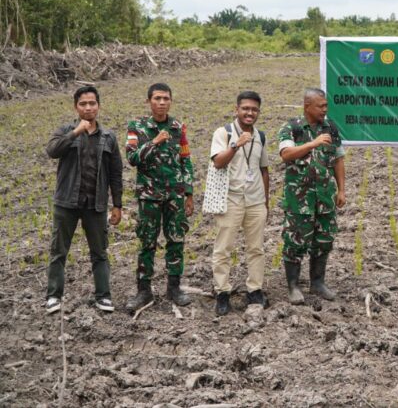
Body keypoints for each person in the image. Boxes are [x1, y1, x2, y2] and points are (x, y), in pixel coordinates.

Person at [44, 86, 123, 314]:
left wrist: (117, 204)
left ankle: (103, 296)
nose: (88, 108)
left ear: (98, 106)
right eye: (83, 104)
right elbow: (52, 151)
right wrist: (76, 132)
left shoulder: (108, 137)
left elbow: (116, 173)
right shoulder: (66, 131)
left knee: (99, 252)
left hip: (95, 204)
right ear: (76, 107)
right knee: (59, 251)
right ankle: (53, 296)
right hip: (66, 202)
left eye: (92, 103)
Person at [125, 82, 194, 312]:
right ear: (149, 101)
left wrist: (189, 193)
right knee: (147, 242)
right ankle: (143, 290)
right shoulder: (137, 127)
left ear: (171, 101)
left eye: (166, 98)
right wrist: (154, 142)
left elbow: (186, 160)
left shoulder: (177, 127)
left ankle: (174, 288)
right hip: (149, 196)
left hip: (174, 195)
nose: (162, 103)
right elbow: (133, 158)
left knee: (176, 240)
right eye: (157, 98)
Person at [278, 88, 345, 305]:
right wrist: (312, 144)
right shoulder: (292, 128)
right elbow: (286, 154)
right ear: (307, 106)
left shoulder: (330, 128)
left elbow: (338, 159)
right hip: (300, 200)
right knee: (295, 242)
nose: (325, 110)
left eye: (326, 105)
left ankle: (317, 283)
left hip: (325, 198)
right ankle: (293, 286)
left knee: (324, 240)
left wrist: (341, 190)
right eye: (321, 106)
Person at [209, 91, 271, 316]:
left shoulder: (261, 136)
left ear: (258, 113)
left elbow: (264, 170)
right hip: (230, 200)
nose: (249, 113)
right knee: (223, 249)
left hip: (255, 201)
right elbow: (218, 162)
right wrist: (236, 145)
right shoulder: (223, 133)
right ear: (236, 110)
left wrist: (266, 201)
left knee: (256, 249)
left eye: (254, 110)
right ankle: (222, 292)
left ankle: (255, 289)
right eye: (245, 108)